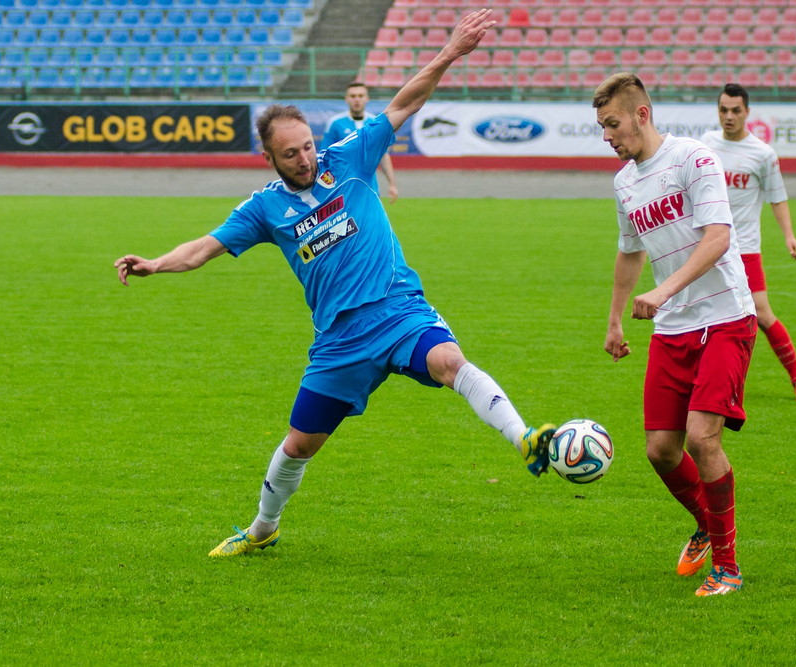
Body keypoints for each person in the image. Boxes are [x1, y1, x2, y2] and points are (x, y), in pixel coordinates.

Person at [114, 10, 556, 559]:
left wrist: (450, 52)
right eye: (290, 153)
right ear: (269, 156)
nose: (304, 158)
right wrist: (156, 263)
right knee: (298, 446)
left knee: (450, 363)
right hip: (340, 342)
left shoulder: (347, 157)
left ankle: (527, 439)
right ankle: (260, 529)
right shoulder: (262, 209)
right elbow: (203, 248)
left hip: (398, 312)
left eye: (306, 146)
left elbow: (404, 102)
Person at [594, 73, 757, 597]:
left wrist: (662, 292)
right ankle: (710, 527)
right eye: (601, 127)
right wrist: (616, 319)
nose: (607, 136)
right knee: (661, 450)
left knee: (701, 437)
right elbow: (629, 251)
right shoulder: (624, 181)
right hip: (674, 327)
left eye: (613, 124)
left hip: (725, 315)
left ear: (642, 114)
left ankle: (727, 570)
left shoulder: (694, 158)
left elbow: (718, 237)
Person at [701, 83, 796, 401]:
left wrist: (789, 235)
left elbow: (777, 198)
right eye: (723, 110)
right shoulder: (706, 145)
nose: (729, 116)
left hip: (744, 248)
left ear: (747, 113)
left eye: (736, 110)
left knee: (762, 314)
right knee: (703, 314)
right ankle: (712, 382)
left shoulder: (762, 154)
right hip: (708, 245)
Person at [321, 81, 399, 203]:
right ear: (346, 99)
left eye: (360, 96)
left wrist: (392, 184)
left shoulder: (375, 122)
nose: (357, 100)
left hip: (370, 187)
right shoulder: (335, 123)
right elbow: (325, 156)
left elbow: (383, 155)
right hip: (343, 187)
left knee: (372, 221)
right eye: (352, 96)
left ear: (367, 98)